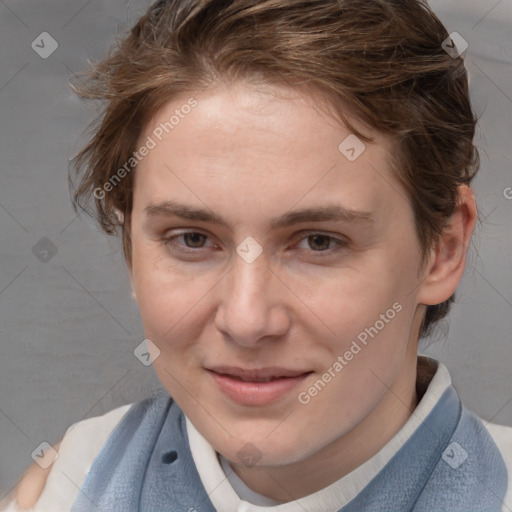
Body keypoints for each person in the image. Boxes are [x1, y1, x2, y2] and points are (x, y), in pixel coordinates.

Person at [3, 0, 511, 510]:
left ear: (443, 249)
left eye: (319, 242)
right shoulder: (71, 485)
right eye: (193, 239)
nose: (246, 321)